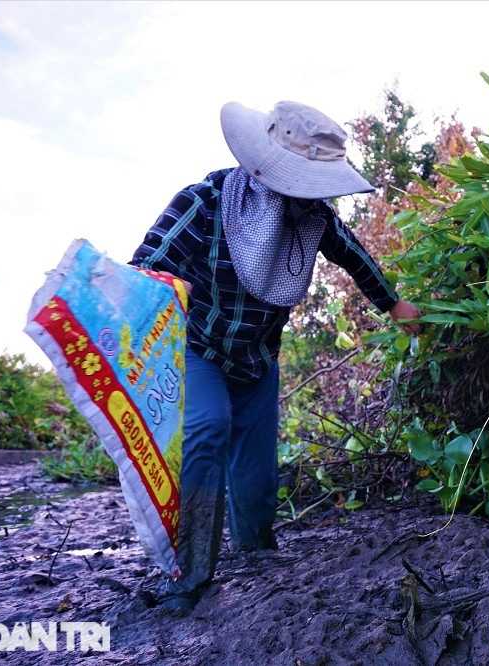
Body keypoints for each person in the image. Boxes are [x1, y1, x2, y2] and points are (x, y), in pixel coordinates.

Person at [129, 100, 421, 610]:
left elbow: (353, 256)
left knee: (257, 478)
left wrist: (392, 304)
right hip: (198, 349)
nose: (310, 196)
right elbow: (147, 266)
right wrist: (145, 289)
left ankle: (257, 558)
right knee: (207, 429)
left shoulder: (313, 219)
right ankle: (187, 577)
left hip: (258, 360)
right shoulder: (207, 201)